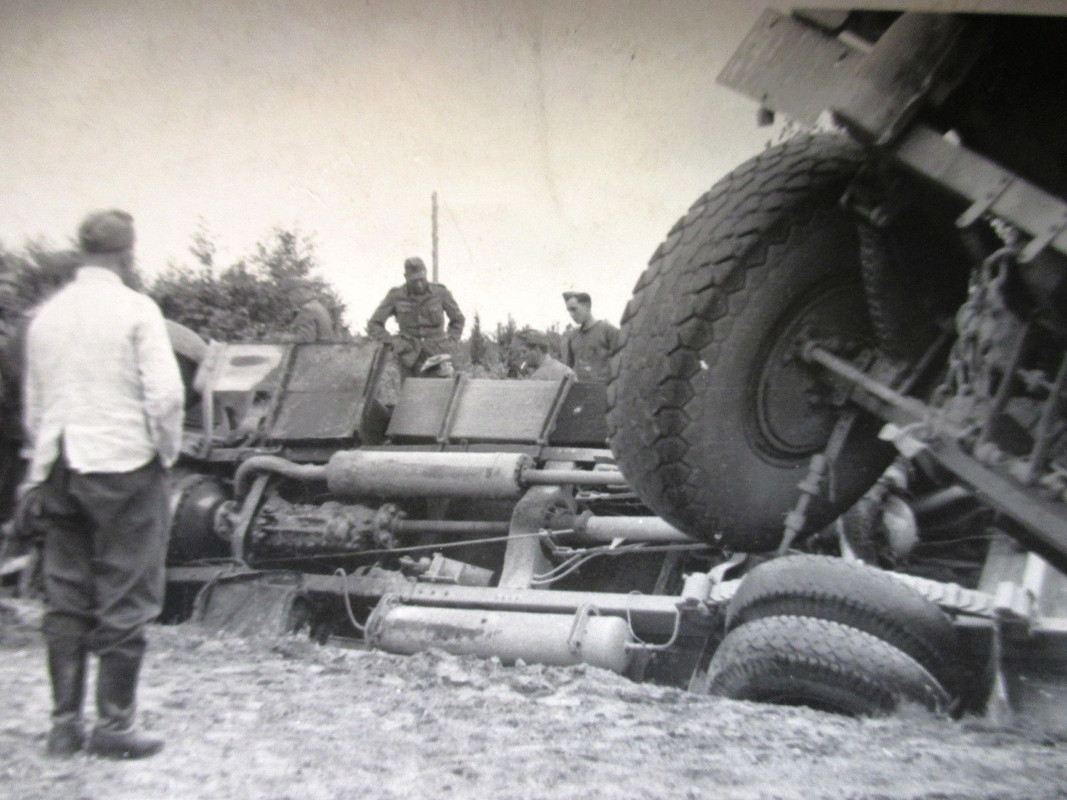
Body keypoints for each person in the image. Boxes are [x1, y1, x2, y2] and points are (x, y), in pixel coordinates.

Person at [21, 210, 185, 760]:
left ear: (80, 252)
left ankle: (64, 725)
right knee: (126, 594)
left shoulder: (45, 317)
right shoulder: (137, 309)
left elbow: (35, 407)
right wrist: (161, 453)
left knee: (65, 598)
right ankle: (114, 727)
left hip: (60, 466)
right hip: (123, 467)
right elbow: (165, 398)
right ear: (127, 255)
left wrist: (43, 463)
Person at [367, 257, 464, 377]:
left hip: (437, 356)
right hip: (409, 359)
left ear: (426, 274)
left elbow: (458, 320)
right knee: (411, 393)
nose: (419, 285)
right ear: (406, 277)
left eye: (422, 279)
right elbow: (374, 324)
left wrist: (451, 343)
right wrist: (393, 342)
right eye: (414, 281)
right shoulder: (396, 295)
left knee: (440, 393)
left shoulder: (440, 293)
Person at [561, 292, 618, 383]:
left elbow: (620, 365)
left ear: (587, 307)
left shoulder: (608, 331)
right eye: (569, 311)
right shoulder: (573, 336)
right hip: (579, 390)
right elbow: (569, 368)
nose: (571, 315)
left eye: (574, 309)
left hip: (602, 391)